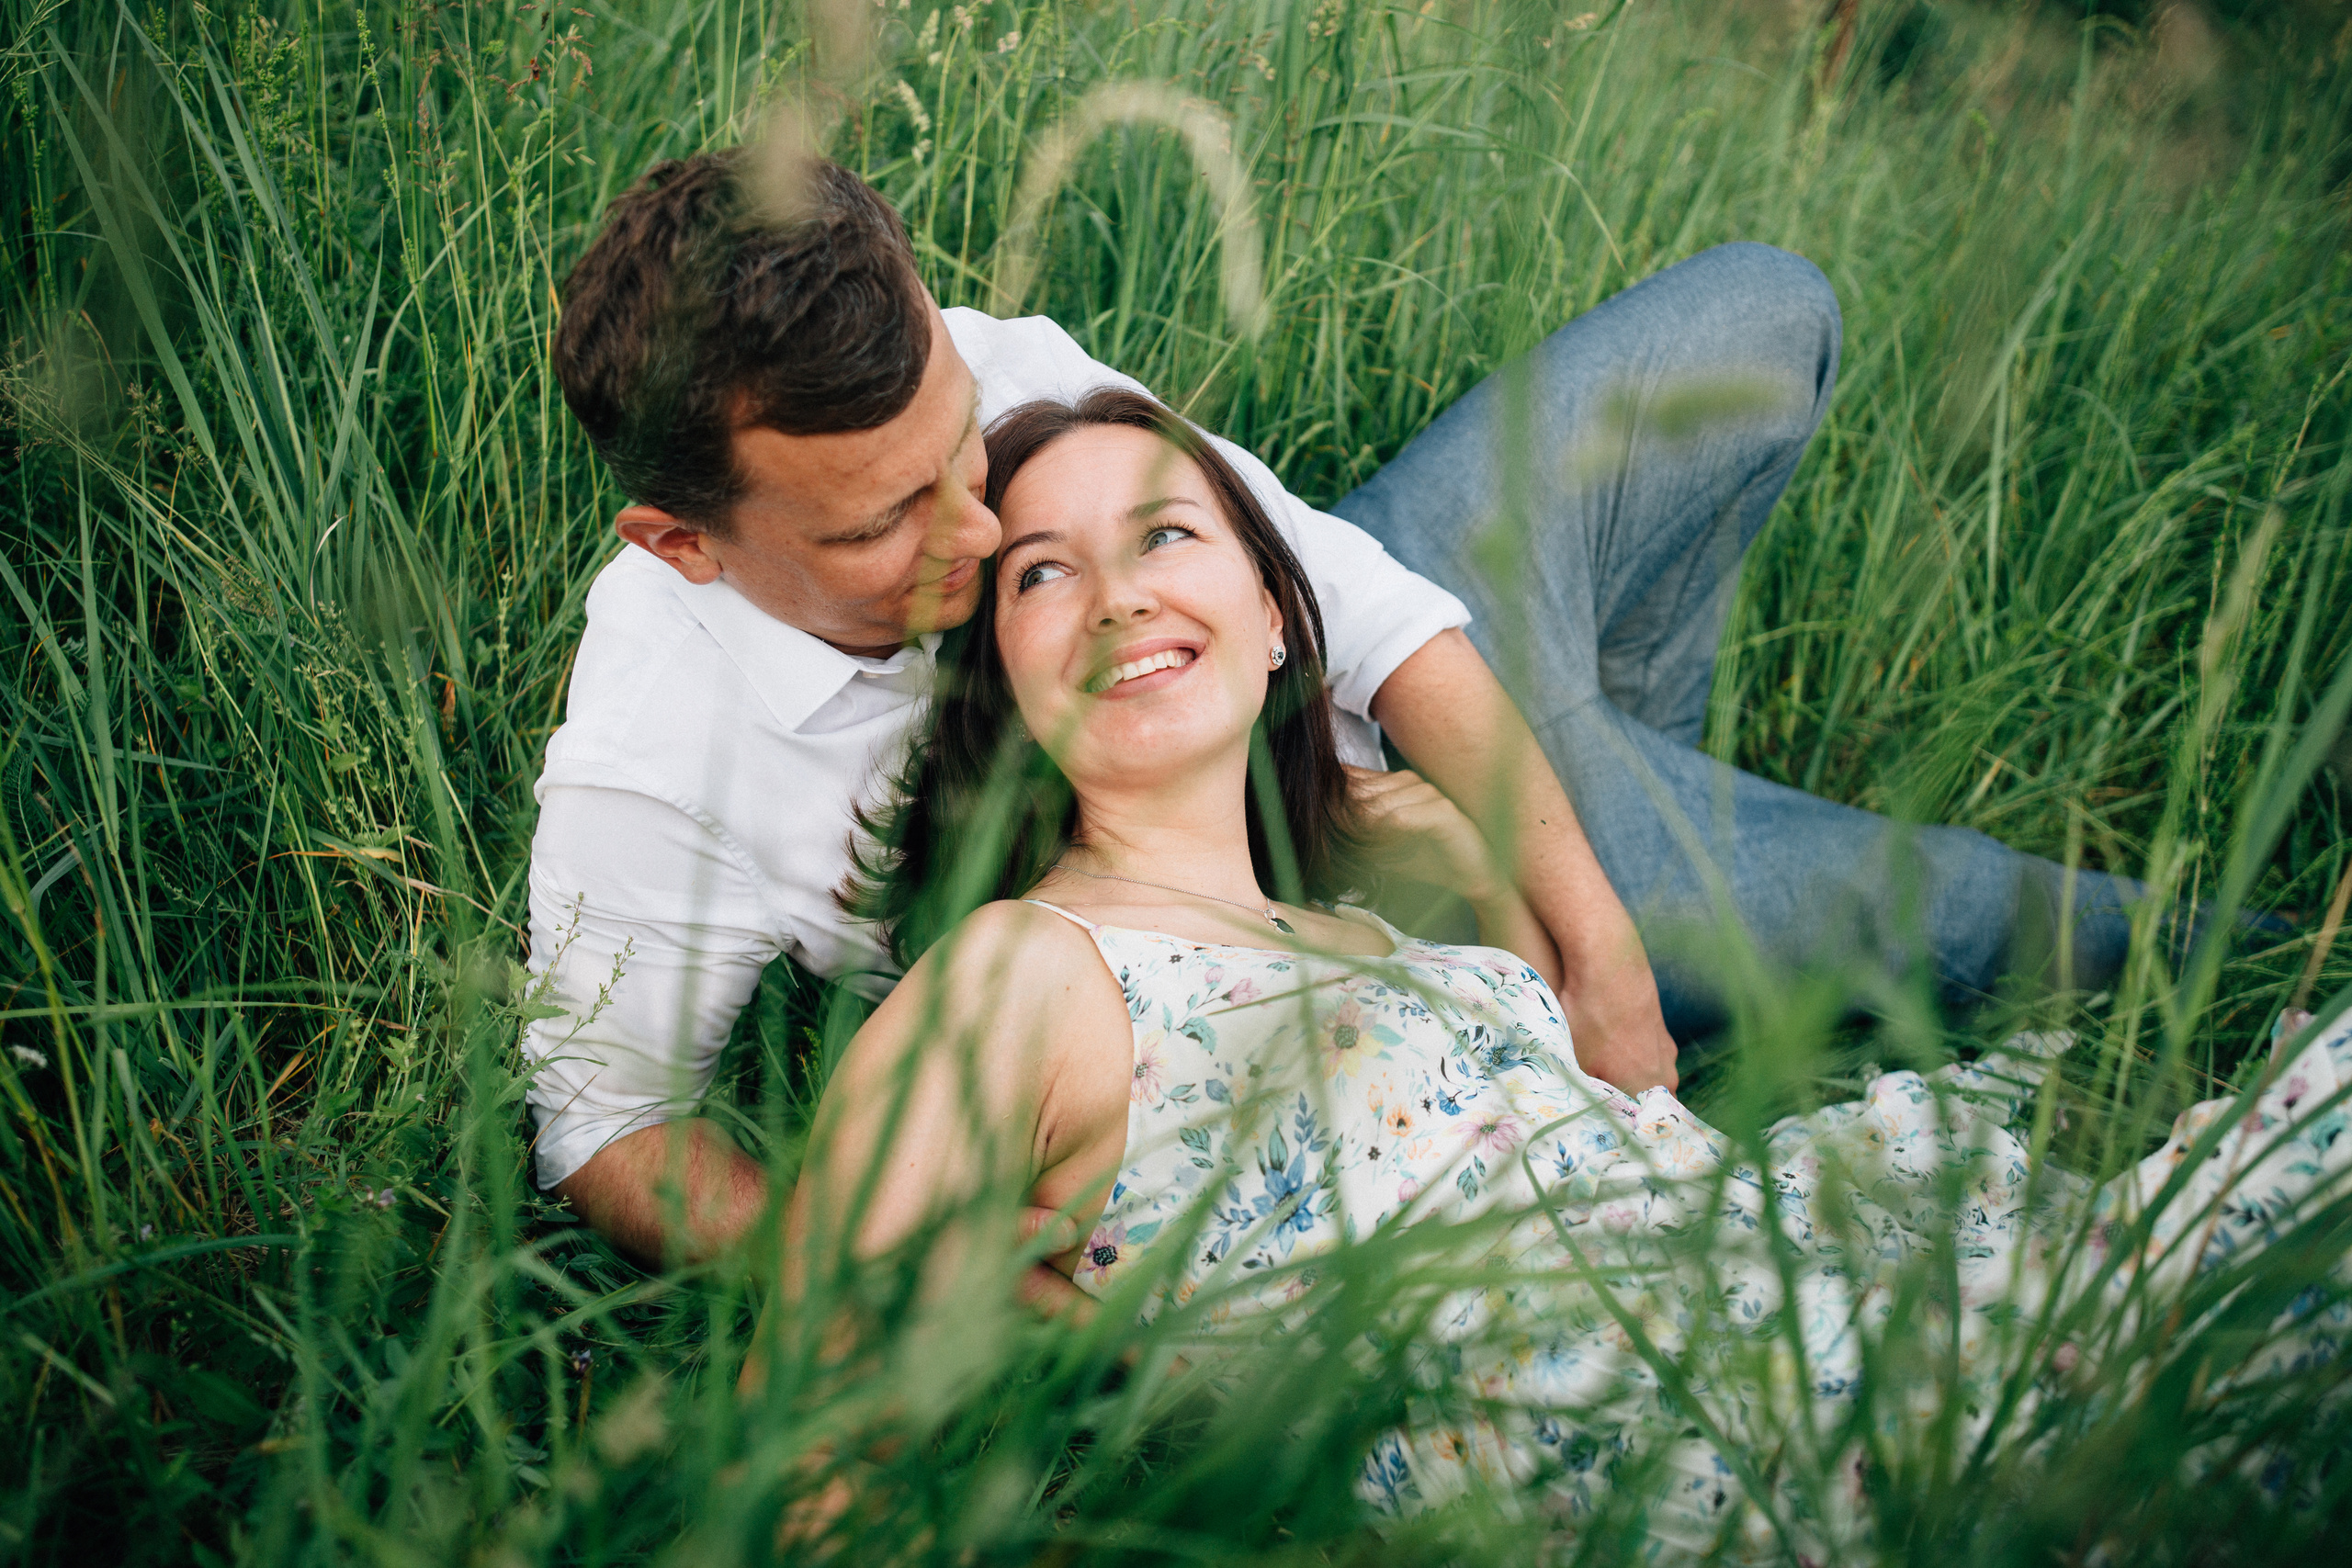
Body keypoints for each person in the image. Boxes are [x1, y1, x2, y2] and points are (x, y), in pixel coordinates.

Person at [786, 388, 2352, 1553]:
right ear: (1006, 683)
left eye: (1168, 534)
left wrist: (1472, 879)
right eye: (1044, 573)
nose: (1120, 591)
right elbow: (817, 1367)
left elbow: (1560, 1094)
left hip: (1803, 1275)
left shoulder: (1353, 932)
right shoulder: (1028, 974)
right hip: (1724, 1435)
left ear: (1276, 620)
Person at [525, 148, 2137, 1263]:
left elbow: (1356, 604)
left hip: (1290, 669)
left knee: (1769, 311)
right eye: (884, 524)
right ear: (687, 545)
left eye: (965, 450)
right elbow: (602, 1126)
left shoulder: (958, 366)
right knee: (2001, 919)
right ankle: (2281, 945)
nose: (975, 521)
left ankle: (1630, 783)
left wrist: (1599, 941)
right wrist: (883, 1268)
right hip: (1331, 902)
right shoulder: (655, 769)